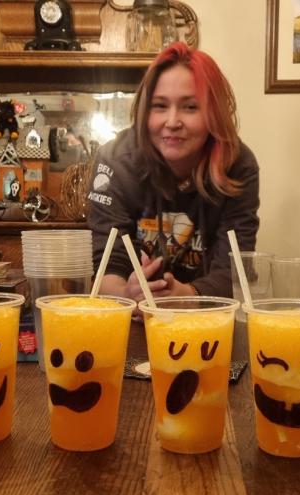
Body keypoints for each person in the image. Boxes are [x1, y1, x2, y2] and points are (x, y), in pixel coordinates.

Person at [86, 42, 260, 301]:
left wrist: (187, 296)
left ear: (213, 112)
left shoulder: (237, 164)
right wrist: (127, 293)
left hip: (208, 316)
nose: (172, 122)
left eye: (190, 107)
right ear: (145, 112)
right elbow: (106, 264)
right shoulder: (114, 161)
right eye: (159, 106)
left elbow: (235, 272)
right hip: (132, 316)